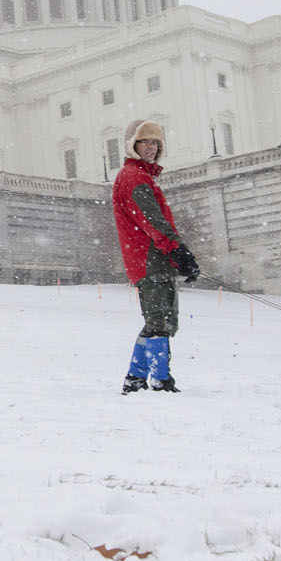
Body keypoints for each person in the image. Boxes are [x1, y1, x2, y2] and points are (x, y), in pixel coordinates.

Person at [111, 119, 200, 393]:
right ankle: (160, 379)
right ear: (132, 145)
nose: (151, 148)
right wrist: (178, 250)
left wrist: (176, 255)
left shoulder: (138, 176)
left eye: (155, 142)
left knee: (156, 320)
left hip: (149, 258)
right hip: (150, 259)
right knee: (160, 321)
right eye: (145, 142)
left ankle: (135, 377)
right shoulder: (135, 177)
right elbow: (152, 220)